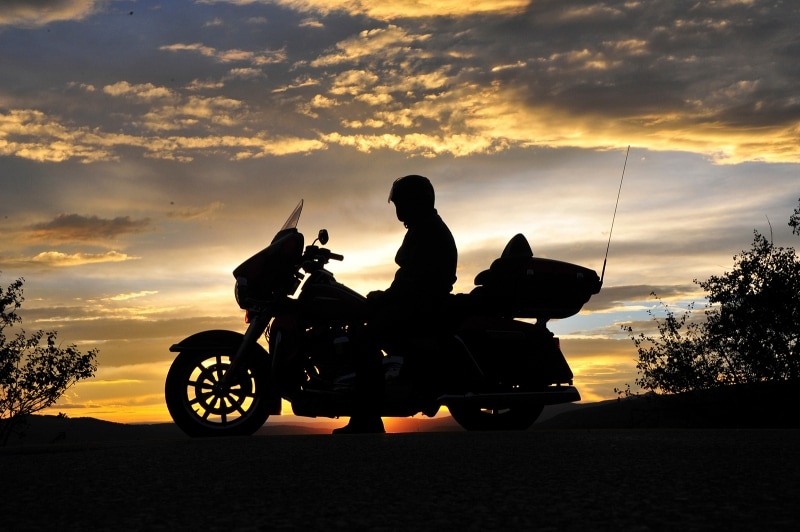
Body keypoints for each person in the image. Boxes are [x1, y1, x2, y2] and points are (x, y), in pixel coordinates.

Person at [333, 175, 458, 434]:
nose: (398, 210)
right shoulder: (425, 226)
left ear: (416, 202)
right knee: (362, 323)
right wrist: (385, 295)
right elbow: (408, 279)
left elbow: (412, 282)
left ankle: (367, 419)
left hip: (421, 307)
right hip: (417, 302)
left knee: (364, 339)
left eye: (401, 203)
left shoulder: (427, 230)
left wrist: (384, 297)